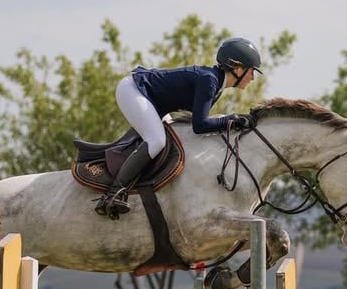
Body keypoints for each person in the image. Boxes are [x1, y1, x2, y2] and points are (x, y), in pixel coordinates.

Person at [94, 36, 263, 217]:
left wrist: (232, 121)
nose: (252, 78)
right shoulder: (209, 81)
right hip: (134, 90)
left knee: (172, 139)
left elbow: (197, 124)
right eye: (251, 71)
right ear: (238, 68)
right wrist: (233, 120)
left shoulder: (215, 84)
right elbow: (200, 125)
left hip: (151, 101)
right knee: (157, 140)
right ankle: (113, 194)